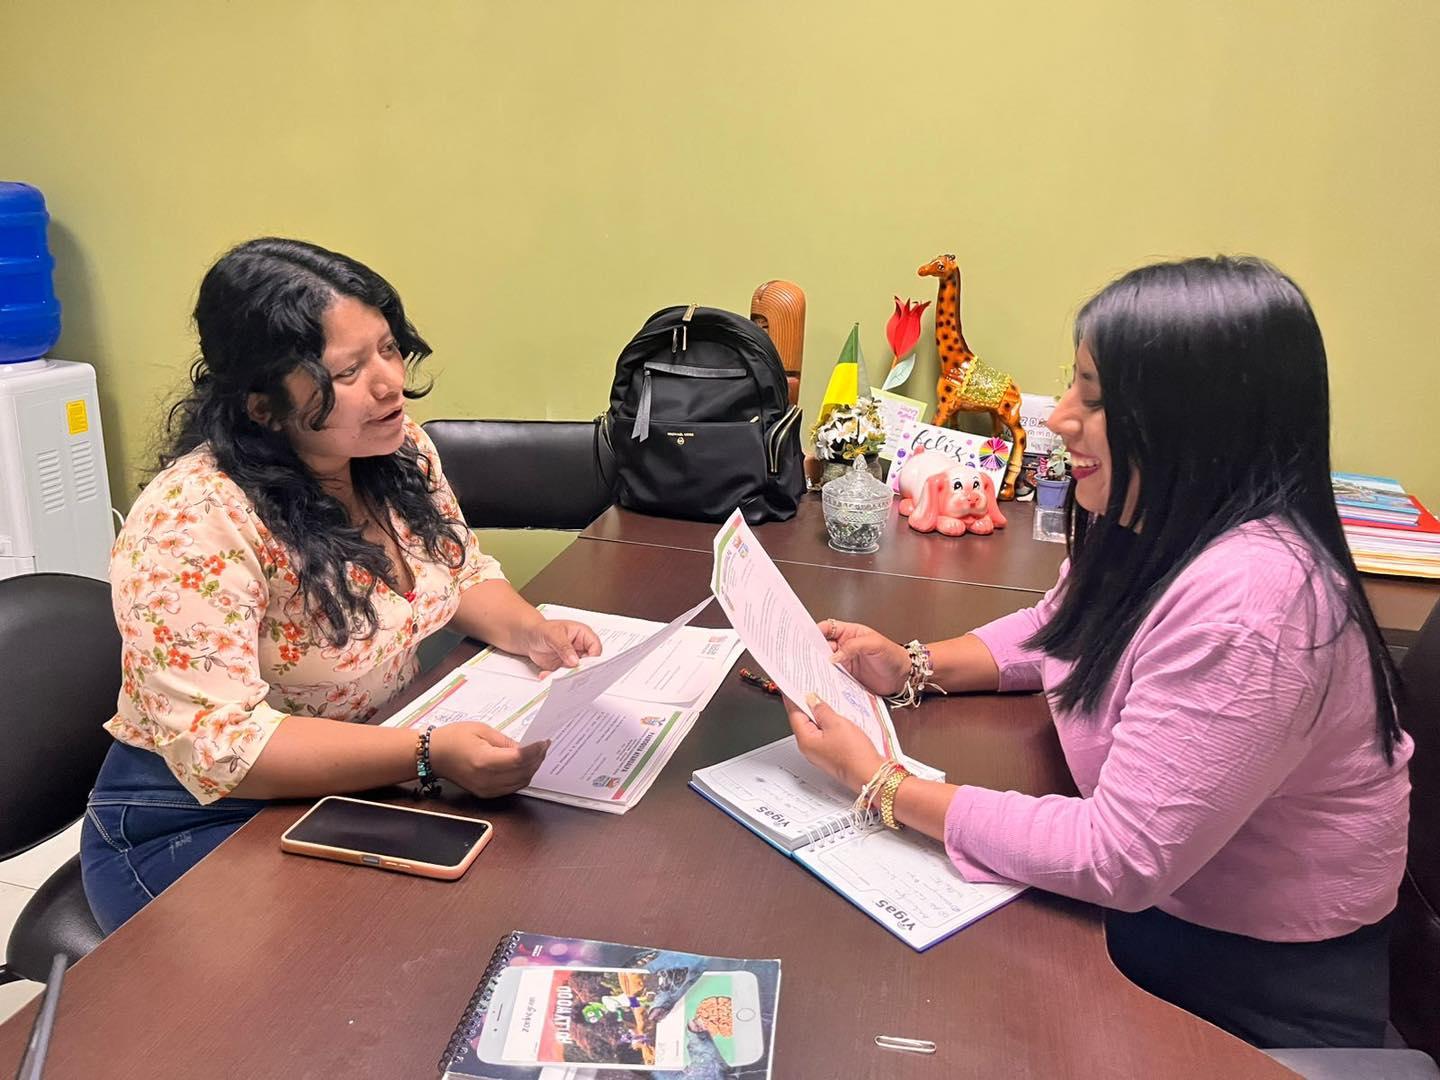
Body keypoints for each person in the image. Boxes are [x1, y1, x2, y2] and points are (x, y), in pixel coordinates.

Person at [784, 256, 1412, 1049]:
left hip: (1240, 984)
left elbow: (1119, 857)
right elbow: (1057, 626)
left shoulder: (1256, 604)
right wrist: (914, 665)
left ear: (1193, 419)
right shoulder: (1151, 518)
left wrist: (879, 781)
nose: (1059, 418)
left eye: (1094, 397)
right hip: (1157, 912)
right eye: (1072, 385)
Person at [81, 237, 601, 932]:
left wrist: (531, 629)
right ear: (264, 406)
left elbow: (458, 571)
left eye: (388, 349)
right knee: (364, 963)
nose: (388, 385)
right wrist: (427, 753)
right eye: (349, 371)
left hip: (364, 771)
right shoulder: (193, 521)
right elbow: (227, 748)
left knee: (509, 898)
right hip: (199, 818)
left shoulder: (396, 449)